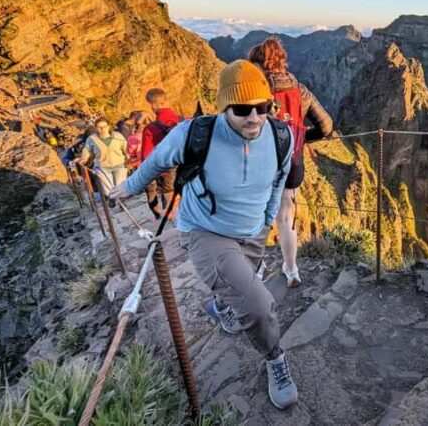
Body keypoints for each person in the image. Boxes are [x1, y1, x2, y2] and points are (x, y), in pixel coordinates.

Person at [109, 60, 298, 409]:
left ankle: (222, 306)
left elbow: (280, 178)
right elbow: (157, 160)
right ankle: (275, 356)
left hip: (253, 230)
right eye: (242, 109)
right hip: (206, 230)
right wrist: (130, 186)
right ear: (224, 107)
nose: (255, 117)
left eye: (263, 107)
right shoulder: (195, 134)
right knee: (258, 305)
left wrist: (267, 219)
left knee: (237, 285)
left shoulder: (280, 136)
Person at [248, 36, 334, 288]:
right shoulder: (300, 90)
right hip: (292, 163)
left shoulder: (253, 92)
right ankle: (292, 270)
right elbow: (326, 126)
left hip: (259, 165)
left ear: (258, 65)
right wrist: (301, 138)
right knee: (286, 218)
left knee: (255, 217)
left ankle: (257, 269)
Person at [142, 88, 180, 218]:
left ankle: (176, 221)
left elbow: (147, 156)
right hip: (188, 165)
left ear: (153, 105)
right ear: (166, 101)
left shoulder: (150, 129)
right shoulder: (183, 120)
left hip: (166, 169)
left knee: (171, 200)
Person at [79, 116, 127, 202]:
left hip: (119, 165)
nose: (102, 129)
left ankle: (121, 203)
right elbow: (86, 150)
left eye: (104, 127)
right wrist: (83, 159)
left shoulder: (118, 136)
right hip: (102, 167)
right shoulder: (92, 139)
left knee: (120, 186)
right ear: (95, 128)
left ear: (108, 126)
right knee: (107, 189)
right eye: (99, 127)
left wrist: (129, 155)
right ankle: (111, 199)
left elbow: (126, 147)